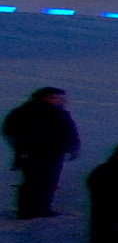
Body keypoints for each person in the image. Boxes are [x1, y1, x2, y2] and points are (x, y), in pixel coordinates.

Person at [4, 86, 82, 219]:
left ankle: (42, 208)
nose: (62, 101)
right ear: (46, 97)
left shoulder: (59, 113)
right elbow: (10, 130)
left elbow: (69, 131)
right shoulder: (27, 111)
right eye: (58, 98)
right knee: (34, 182)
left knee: (48, 182)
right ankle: (28, 211)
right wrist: (26, 146)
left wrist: (73, 145)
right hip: (33, 155)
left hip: (54, 154)